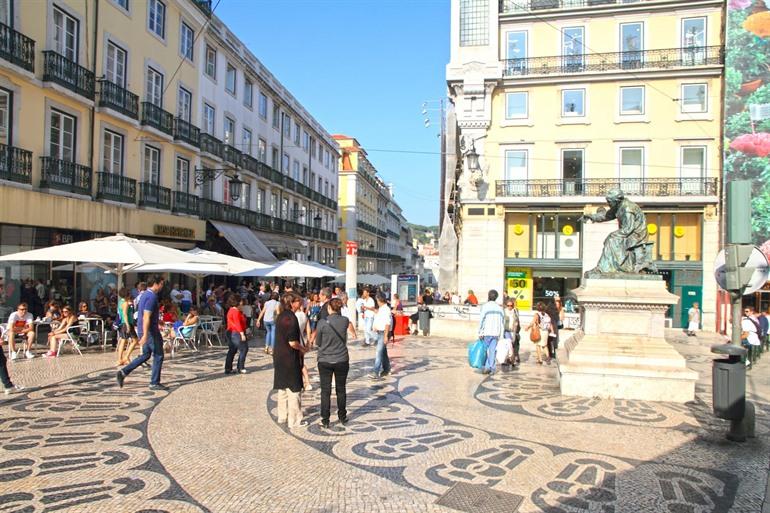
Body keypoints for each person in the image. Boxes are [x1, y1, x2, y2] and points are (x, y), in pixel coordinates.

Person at [117, 275, 167, 390]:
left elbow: (146, 313)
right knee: (158, 355)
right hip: (150, 331)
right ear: (156, 283)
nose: (162, 286)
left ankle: (123, 372)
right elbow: (146, 316)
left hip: (143, 329)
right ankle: (154, 382)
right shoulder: (151, 297)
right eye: (161, 284)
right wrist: (145, 334)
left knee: (146, 354)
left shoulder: (144, 294)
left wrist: (157, 320)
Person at [273, 292, 307, 429]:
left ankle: (282, 416)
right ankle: (295, 419)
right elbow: (293, 342)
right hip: (289, 357)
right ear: (292, 303)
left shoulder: (280, 316)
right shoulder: (291, 318)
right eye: (298, 301)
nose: (301, 303)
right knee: (294, 388)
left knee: (282, 386)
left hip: (279, 356)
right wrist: (302, 349)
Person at [315, 298, 351, 428]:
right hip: (342, 359)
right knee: (341, 389)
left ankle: (325, 419)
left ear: (329, 308)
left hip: (325, 360)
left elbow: (318, 342)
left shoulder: (322, 323)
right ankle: (342, 416)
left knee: (325, 391)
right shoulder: (345, 321)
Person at [477, 290, 505, 375]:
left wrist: (480, 332)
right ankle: (491, 367)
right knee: (492, 350)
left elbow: (482, 320)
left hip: (487, 332)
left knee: (485, 350)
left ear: (489, 296)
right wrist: (501, 334)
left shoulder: (485, 307)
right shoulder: (500, 308)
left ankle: (486, 367)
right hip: (496, 332)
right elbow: (502, 322)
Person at [369, 294, 392, 380]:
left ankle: (375, 372)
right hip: (380, 332)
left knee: (378, 352)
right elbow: (378, 315)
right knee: (383, 352)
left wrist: (386, 336)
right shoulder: (382, 309)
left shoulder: (386, 310)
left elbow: (387, 324)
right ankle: (387, 369)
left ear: (379, 300)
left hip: (383, 333)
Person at [225, 295, 248, 375]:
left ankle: (228, 368)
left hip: (231, 332)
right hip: (236, 332)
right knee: (243, 349)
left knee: (232, 350)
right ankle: (240, 367)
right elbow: (237, 323)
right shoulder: (235, 311)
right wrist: (242, 333)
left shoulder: (232, 310)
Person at [293, 295, 312, 390]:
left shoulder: (293, 316)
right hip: (302, 342)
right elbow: (308, 329)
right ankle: (307, 382)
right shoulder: (304, 315)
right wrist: (308, 342)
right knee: (301, 363)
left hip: (294, 342)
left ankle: (300, 382)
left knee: (296, 364)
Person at [116, 288, 138, 366]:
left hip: (123, 323)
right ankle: (126, 357)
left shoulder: (121, 302)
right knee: (135, 340)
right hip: (127, 323)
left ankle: (121, 359)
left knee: (123, 341)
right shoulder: (125, 303)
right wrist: (128, 325)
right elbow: (125, 314)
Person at [504, 298, 521, 366]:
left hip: (514, 331)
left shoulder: (515, 311)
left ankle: (512, 359)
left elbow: (517, 320)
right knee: (509, 345)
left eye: (511, 305)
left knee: (514, 345)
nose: (510, 307)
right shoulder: (504, 311)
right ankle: (509, 359)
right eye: (508, 305)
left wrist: (517, 327)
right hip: (507, 331)